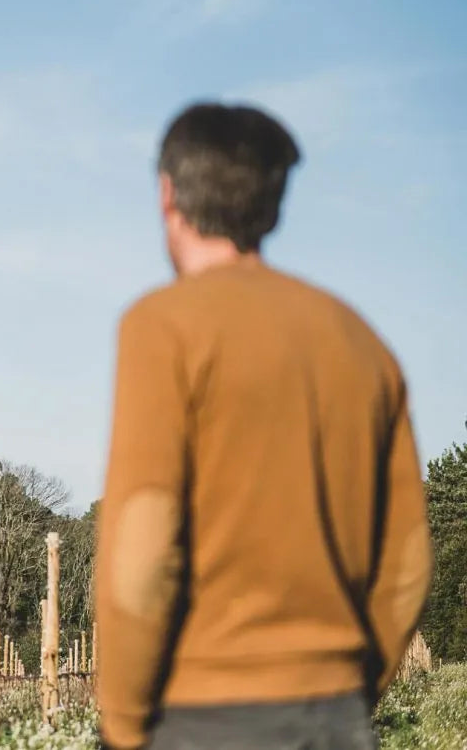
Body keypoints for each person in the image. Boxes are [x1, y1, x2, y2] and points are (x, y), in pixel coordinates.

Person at [94, 103, 432, 749]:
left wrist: (124, 725)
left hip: (204, 716)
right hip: (336, 716)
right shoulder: (364, 344)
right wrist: (353, 690)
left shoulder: (162, 326)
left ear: (168, 193)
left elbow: (142, 544)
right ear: (274, 203)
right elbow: (410, 562)